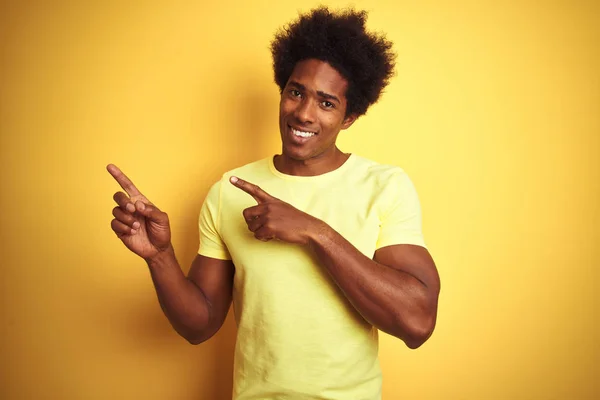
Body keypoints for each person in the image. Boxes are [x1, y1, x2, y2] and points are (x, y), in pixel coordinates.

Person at [108, 6, 440, 400]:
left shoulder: (384, 186)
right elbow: (198, 326)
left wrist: (314, 231)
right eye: (296, 92)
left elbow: (417, 323)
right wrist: (159, 256)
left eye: (326, 102)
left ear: (349, 117)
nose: (303, 113)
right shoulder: (229, 191)